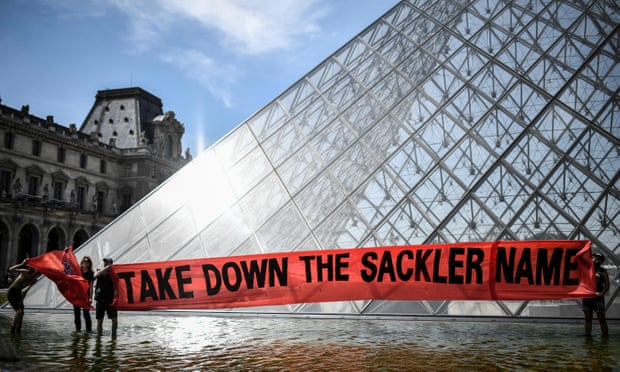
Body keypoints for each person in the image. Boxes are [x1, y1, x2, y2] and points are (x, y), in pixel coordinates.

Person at [7, 259, 38, 334]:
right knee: (19, 311)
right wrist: (21, 263)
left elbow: (25, 291)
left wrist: (22, 299)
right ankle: (12, 329)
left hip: (19, 293)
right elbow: (11, 269)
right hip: (12, 291)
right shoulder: (25, 272)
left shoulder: (34, 279)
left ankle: (18, 329)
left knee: (22, 313)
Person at [582, 252, 609, 336]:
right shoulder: (586, 269)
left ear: (601, 261)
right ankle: (587, 337)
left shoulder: (603, 271)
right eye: (593, 257)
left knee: (601, 317)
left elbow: (607, 285)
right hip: (587, 297)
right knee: (588, 317)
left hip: (598, 298)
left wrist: (601, 294)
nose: (595, 259)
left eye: (597, 258)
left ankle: (605, 337)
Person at [94, 257, 117, 336]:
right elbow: (94, 277)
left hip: (110, 300)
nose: (105, 264)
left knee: (114, 320)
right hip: (100, 299)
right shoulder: (100, 272)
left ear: (111, 264)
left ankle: (114, 336)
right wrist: (104, 269)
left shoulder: (113, 273)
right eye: (105, 262)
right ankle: (99, 337)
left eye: (107, 262)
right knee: (100, 321)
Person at [74, 256, 94, 332]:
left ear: (89, 264)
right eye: (84, 263)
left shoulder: (91, 273)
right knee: (77, 314)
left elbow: (91, 286)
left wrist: (90, 297)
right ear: (81, 263)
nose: (86, 264)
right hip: (77, 295)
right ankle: (78, 330)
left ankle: (88, 331)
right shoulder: (78, 271)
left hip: (86, 296)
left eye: (87, 263)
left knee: (86, 314)